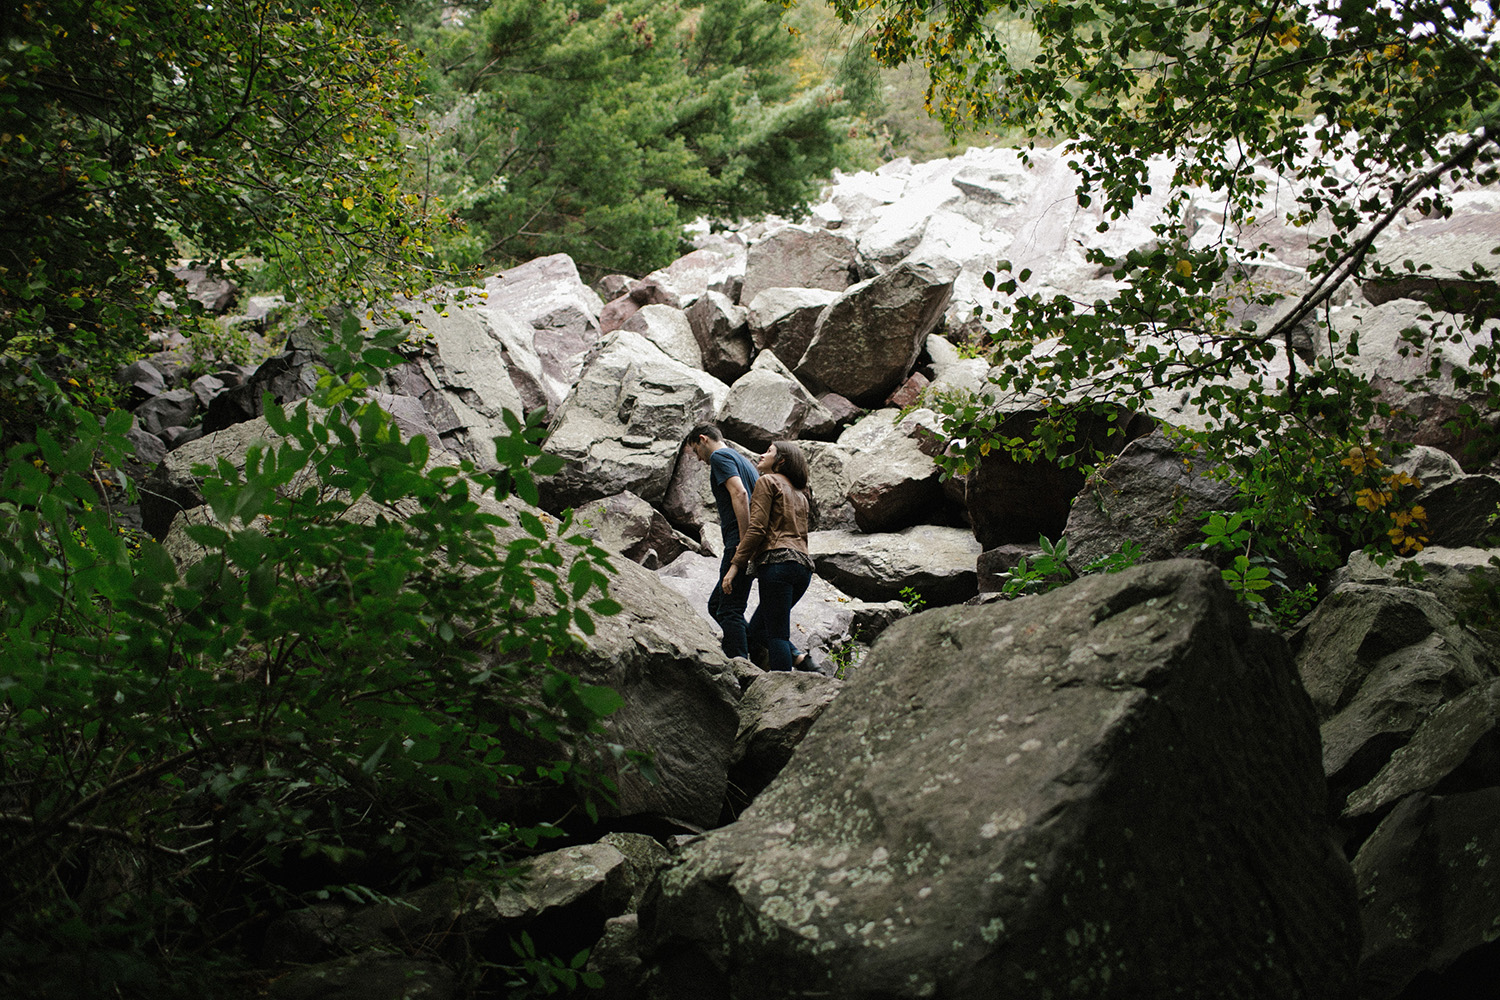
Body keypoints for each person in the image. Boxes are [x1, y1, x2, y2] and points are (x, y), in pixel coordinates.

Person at [721, 441, 815, 672]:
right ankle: (808, 668)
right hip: (803, 568)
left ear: (781, 461)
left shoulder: (767, 481)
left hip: (777, 565)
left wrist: (735, 566)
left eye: (769, 451)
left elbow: (757, 529)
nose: (762, 454)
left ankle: (780, 694)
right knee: (758, 630)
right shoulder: (801, 493)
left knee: (777, 636)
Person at [682, 424, 760, 659]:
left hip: (739, 540)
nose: (698, 459)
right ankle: (758, 650)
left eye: (696, 451)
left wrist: (744, 543)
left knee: (729, 609)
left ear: (703, 439)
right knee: (717, 604)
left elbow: (740, 494)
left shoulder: (719, 457)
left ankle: (743, 668)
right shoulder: (742, 459)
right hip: (747, 539)